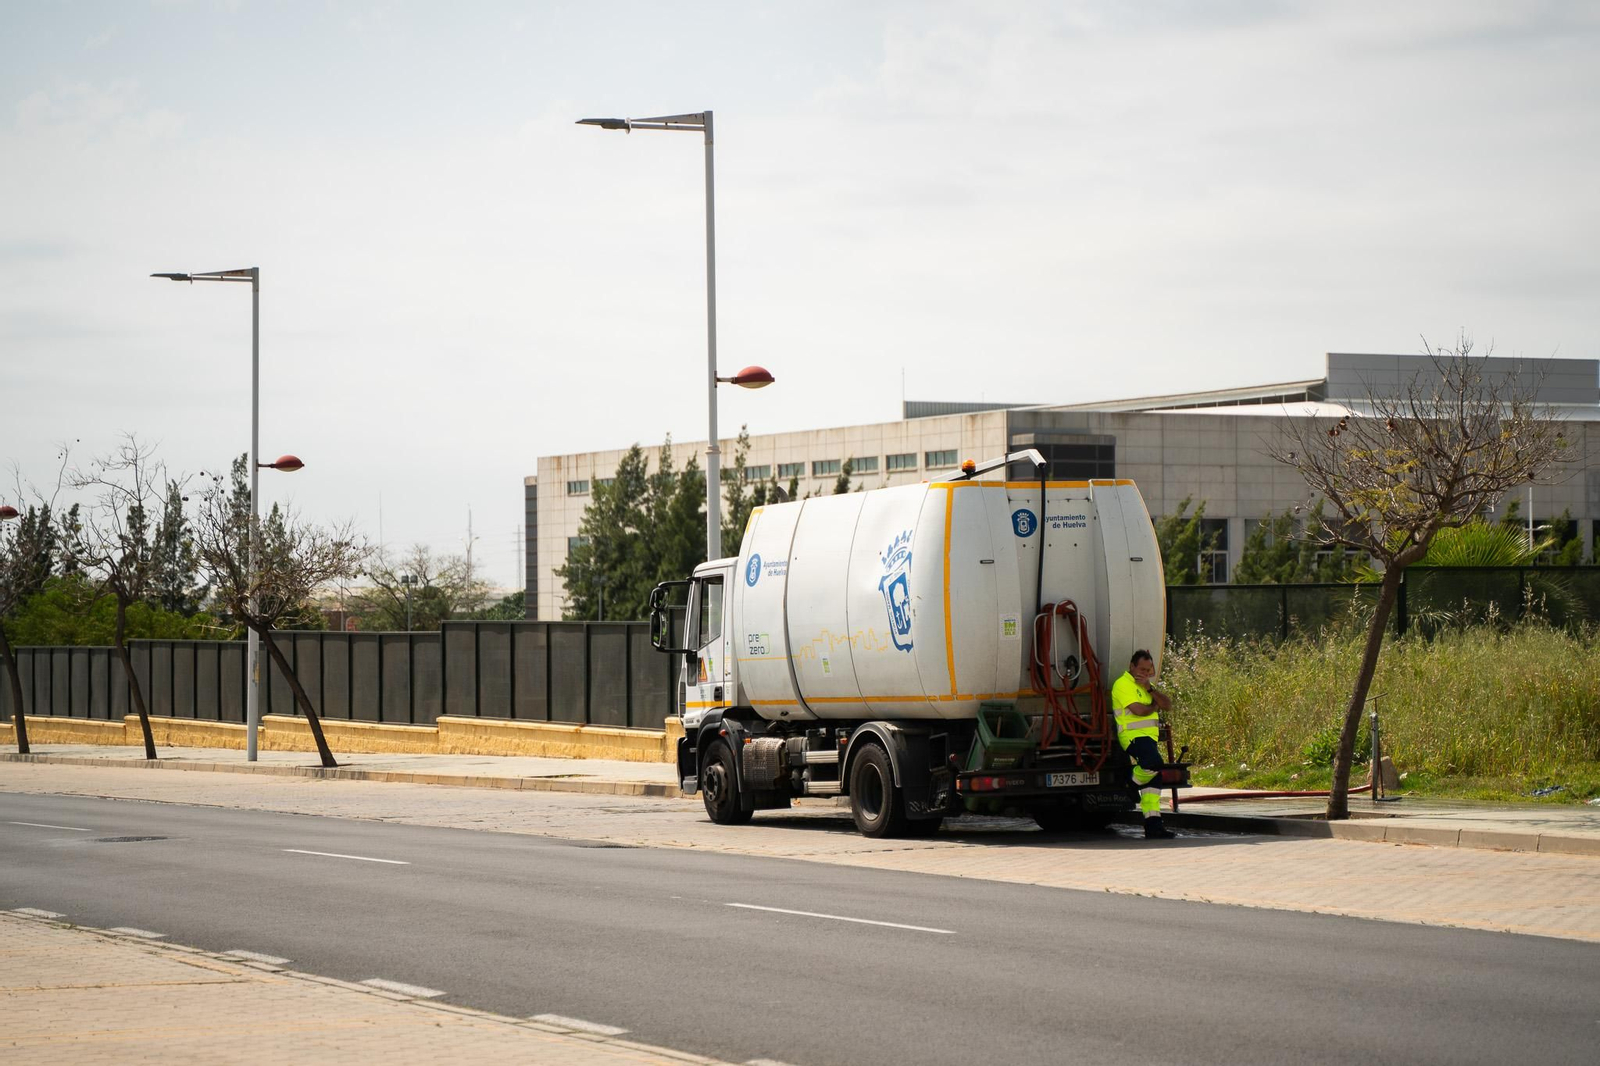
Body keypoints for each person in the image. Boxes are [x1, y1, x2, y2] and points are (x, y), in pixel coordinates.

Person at [1111, 649, 1175, 839]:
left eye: (1148, 670)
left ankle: (1153, 826)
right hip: (1132, 736)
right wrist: (1153, 706)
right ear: (1132, 666)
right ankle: (1130, 783)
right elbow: (1138, 710)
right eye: (1142, 669)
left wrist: (1151, 690)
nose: (1145, 673)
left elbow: (1168, 705)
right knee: (1154, 762)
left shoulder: (1148, 685)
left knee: (1153, 783)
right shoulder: (1122, 684)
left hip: (1149, 738)